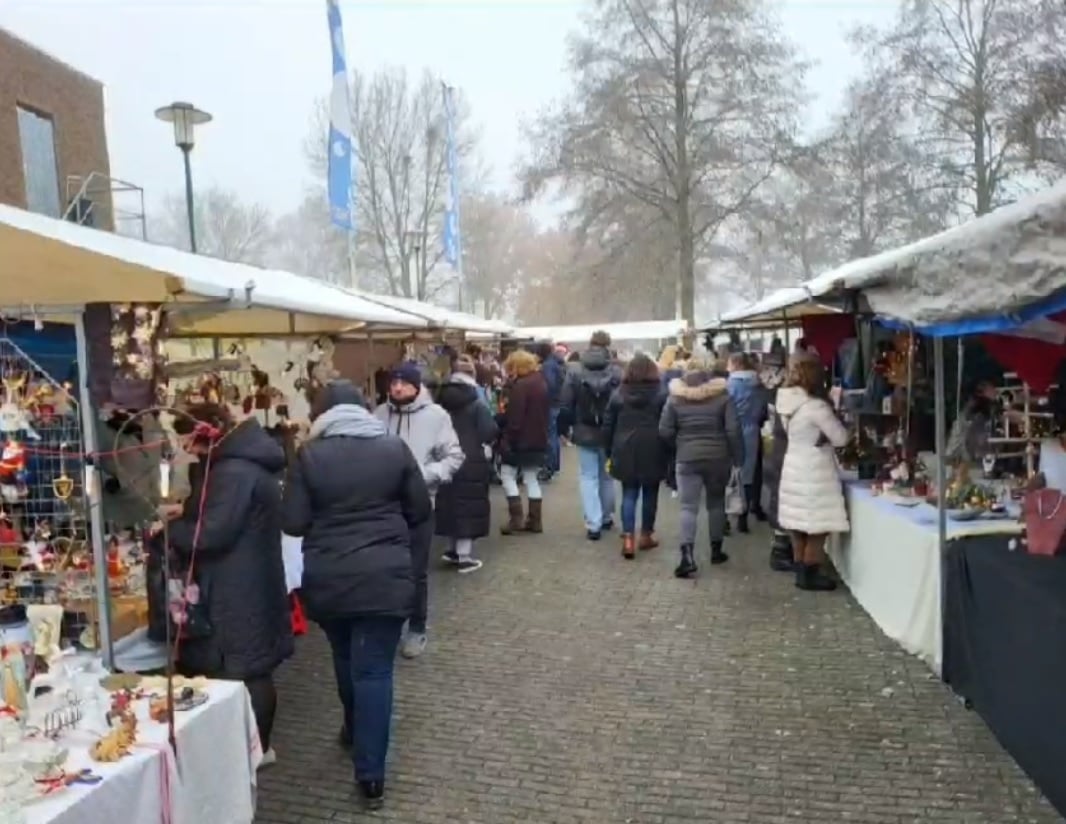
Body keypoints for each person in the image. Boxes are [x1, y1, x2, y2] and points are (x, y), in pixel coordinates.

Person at [281, 380, 432, 809]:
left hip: (329, 576)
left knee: (346, 658)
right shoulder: (393, 449)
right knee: (375, 672)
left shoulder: (308, 456)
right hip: (385, 576)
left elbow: (292, 522)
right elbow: (419, 510)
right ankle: (371, 776)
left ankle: (352, 726)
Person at [161, 403, 293, 768]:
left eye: (189, 439)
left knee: (247, 669)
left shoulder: (232, 470)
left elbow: (213, 533)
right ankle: (258, 747)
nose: (187, 448)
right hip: (252, 577)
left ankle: (255, 749)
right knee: (253, 666)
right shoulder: (242, 463)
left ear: (207, 433)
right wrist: (187, 511)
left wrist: (172, 532)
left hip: (237, 584)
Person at [373, 363, 464, 658]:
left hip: (419, 504)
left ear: (415, 386)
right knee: (383, 570)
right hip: (382, 506)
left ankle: (416, 628)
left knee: (415, 571)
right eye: (393, 382)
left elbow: (454, 456)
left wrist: (423, 475)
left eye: (403, 382)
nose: (397, 387)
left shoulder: (437, 417)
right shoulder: (378, 415)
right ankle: (387, 629)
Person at [659, 360, 744, 578]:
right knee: (716, 504)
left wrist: (679, 445)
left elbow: (665, 430)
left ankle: (687, 556)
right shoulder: (723, 397)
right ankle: (716, 551)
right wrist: (738, 458)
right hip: (718, 458)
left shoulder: (675, 398)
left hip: (687, 458)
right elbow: (733, 430)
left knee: (688, 507)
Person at [775, 356, 850, 591]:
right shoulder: (816, 407)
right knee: (818, 523)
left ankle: (800, 569)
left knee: (798, 522)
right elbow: (841, 438)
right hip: (814, 467)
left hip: (793, 461)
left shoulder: (786, 403)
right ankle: (810, 570)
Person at [435, 356, 498, 572]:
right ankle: (464, 555)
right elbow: (488, 430)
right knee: (469, 505)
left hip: (444, 455)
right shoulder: (476, 403)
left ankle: (452, 549)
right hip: (471, 458)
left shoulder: (439, 402)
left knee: (450, 502)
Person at [602, 354, 667, 559]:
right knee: (650, 492)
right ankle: (646, 535)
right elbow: (667, 424)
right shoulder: (661, 393)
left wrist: (608, 450)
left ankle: (628, 538)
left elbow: (608, 425)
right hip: (653, 446)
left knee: (629, 492)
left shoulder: (618, 393)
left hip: (624, 446)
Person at [560, 330, 622, 540]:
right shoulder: (617, 370)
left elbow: (566, 403)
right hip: (610, 430)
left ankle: (593, 523)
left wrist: (566, 429)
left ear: (590, 343)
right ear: (608, 345)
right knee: (607, 475)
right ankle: (606, 517)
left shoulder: (574, 369)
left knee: (588, 477)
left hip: (584, 429)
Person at [498, 349, 550, 534]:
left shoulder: (521, 386)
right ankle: (535, 521)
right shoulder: (540, 382)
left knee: (507, 475)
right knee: (531, 478)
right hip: (538, 439)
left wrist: (507, 439)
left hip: (520, 441)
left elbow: (515, 418)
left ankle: (516, 519)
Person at [726, 352, 769, 533]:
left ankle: (726, 516)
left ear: (735, 364)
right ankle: (744, 516)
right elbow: (764, 410)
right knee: (749, 475)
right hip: (752, 430)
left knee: (730, 474)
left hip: (731, 431)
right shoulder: (758, 385)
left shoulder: (730, 385)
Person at [536, 340, 566, 482]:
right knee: (553, 435)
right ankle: (554, 465)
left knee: (549, 435)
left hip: (550, 404)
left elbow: (549, 385)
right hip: (557, 403)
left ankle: (549, 466)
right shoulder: (556, 363)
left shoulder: (548, 365)